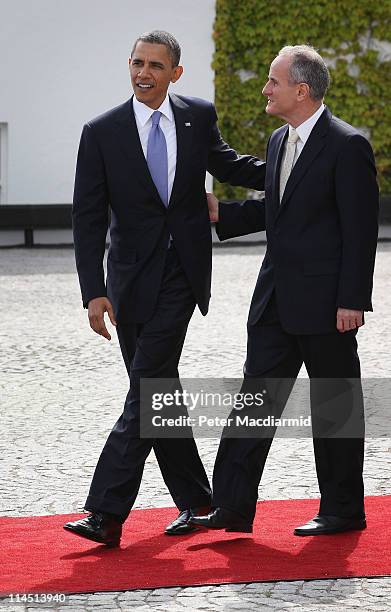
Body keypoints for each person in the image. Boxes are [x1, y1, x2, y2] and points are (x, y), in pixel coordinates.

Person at [63, 30, 265, 546]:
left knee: (148, 385)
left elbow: (230, 165)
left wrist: (293, 168)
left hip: (181, 273)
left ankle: (106, 513)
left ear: (176, 73)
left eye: (155, 65)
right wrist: (94, 290)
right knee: (159, 393)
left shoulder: (196, 115)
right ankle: (199, 501)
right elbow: (87, 218)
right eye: (136, 63)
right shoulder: (101, 131)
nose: (143, 73)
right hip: (128, 281)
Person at [191, 45, 379, 536]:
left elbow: (360, 232)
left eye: (273, 81)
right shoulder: (279, 141)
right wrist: (222, 213)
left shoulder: (348, 145)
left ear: (301, 89)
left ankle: (342, 510)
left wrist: (353, 301)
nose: (265, 89)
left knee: (334, 407)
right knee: (254, 400)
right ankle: (231, 507)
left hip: (327, 306)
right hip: (275, 300)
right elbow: (278, 206)